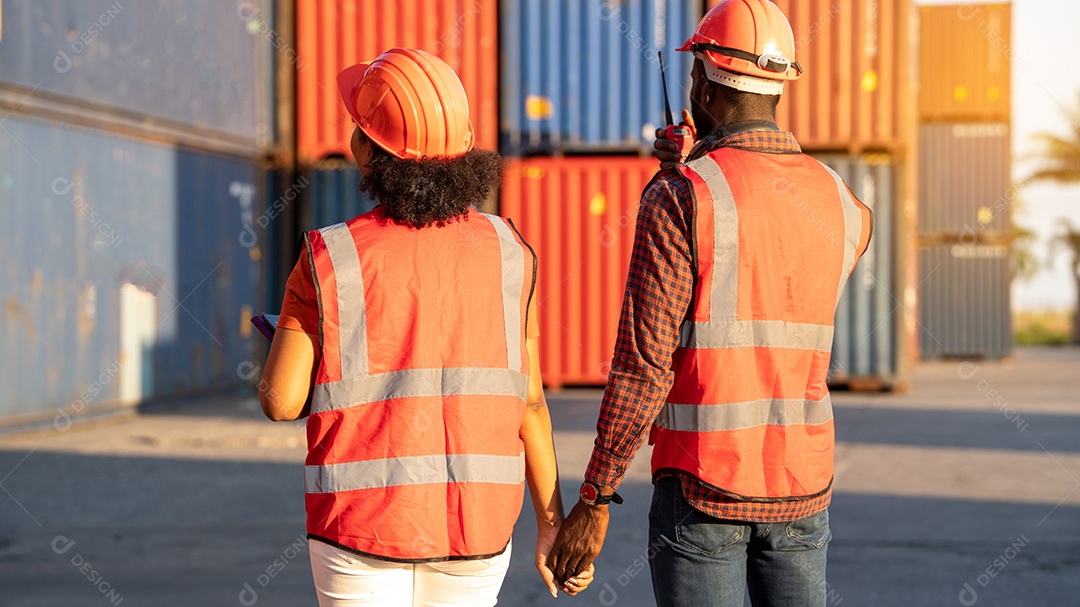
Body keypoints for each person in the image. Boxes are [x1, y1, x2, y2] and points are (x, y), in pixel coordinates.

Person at [547, 1, 873, 606]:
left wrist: (595, 495)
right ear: (779, 84)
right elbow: (766, 255)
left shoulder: (680, 196)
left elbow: (644, 365)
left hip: (704, 487)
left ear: (702, 82)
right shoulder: (844, 202)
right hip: (801, 483)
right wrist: (698, 162)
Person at [258, 47, 592, 607]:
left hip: (359, 529)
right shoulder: (511, 252)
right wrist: (552, 525)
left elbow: (281, 401)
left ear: (368, 151)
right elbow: (530, 404)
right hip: (476, 529)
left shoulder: (329, 255)